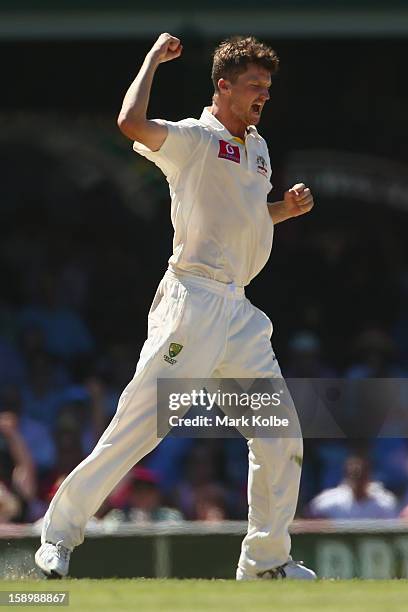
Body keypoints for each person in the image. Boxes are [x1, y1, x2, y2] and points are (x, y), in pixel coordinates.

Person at [35, 33, 316, 580]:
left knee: (279, 434)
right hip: (192, 301)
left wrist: (284, 208)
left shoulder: (257, 148)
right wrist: (151, 61)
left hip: (239, 314)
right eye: (254, 86)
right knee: (138, 428)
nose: (263, 95)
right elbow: (129, 123)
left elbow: (245, 221)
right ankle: (57, 536)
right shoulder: (194, 139)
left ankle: (265, 563)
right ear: (223, 87)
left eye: (268, 87)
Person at [308, 455, 398, 520]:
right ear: (346, 476)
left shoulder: (385, 503)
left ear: (368, 475)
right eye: (354, 475)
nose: (358, 480)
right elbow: (309, 518)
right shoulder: (328, 501)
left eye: (361, 475)